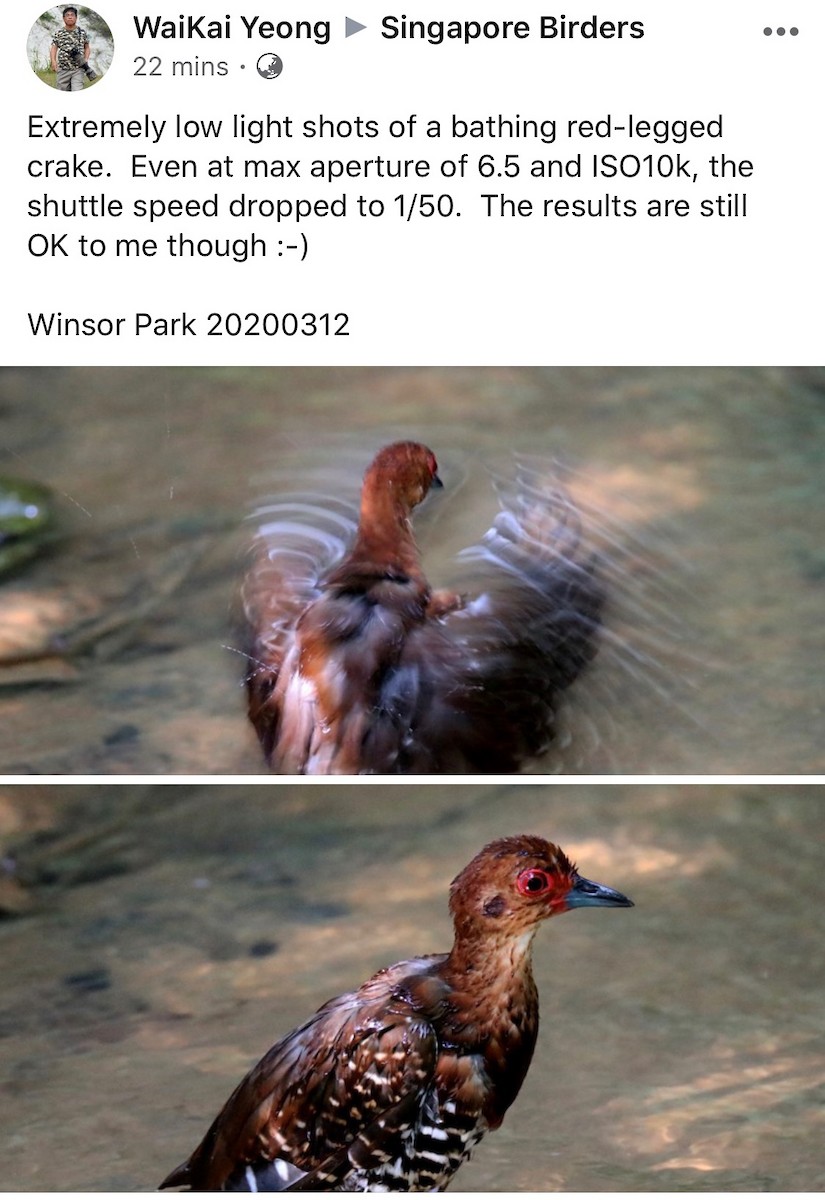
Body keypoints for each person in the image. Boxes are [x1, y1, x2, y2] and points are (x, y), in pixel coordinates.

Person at [50, 6, 91, 91]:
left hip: (78, 69)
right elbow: (54, 48)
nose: (70, 17)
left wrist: (86, 59)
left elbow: (87, 47)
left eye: (72, 15)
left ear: (76, 18)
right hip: (62, 69)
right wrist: (53, 61)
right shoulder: (59, 33)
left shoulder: (82, 32)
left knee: (77, 90)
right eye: (67, 15)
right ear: (64, 18)